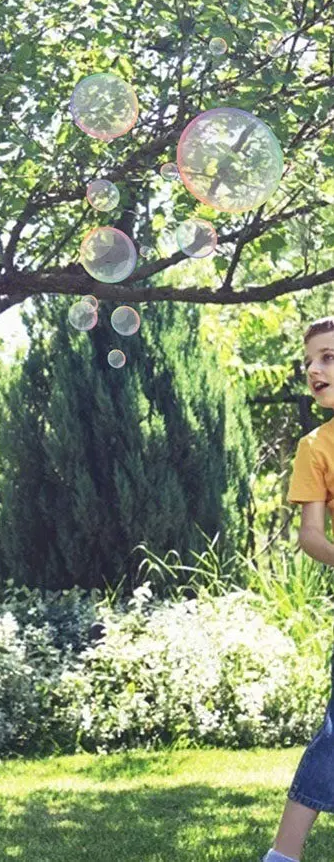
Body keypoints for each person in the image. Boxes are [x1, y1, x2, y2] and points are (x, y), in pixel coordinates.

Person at [264, 316, 334, 862]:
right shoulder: (316, 446)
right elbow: (311, 537)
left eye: (328, 357)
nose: (313, 368)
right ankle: (282, 857)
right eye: (310, 359)